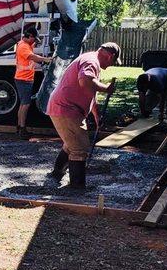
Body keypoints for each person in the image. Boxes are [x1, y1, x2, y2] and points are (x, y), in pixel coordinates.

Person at [46, 42, 121, 189]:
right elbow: (85, 81)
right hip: (66, 109)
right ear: (110, 56)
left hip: (67, 108)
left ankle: (56, 174)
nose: (111, 65)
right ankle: (77, 187)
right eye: (113, 62)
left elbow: (89, 92)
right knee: (79, 149)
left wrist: (96, 115)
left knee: (72, 144)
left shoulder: (91, 60)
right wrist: (106, 88)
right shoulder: (91, 61)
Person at [15, 27, 52, 140]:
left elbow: (32, 58)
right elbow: (33, 57)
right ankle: (22, 128)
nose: (34, 41)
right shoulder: (23, 47)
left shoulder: (26, 44)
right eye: (33, 39)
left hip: (23, 79)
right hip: (23, 79)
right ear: (29, 36)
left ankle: (20, 127)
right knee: (25, 105)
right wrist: (47, 60)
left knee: (23, 104)